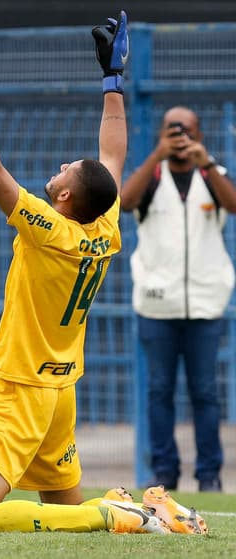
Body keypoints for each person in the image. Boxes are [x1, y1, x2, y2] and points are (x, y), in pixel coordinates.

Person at [0, 10, 207, 535]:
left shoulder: (49, 229)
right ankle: (153, 513)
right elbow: (112, 153)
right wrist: (113, 81)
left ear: (62, 198)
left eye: (64, 171)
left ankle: (116, 510)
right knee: (63, 515)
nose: (59, 167)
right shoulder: (104, 228)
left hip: (19, 386)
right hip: (61, 389)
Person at [120, 106, 236, 493]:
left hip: (204, 305)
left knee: (205, 392)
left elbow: (234, 204)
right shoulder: (152, 176)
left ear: (198, 134)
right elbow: (123, 201)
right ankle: (164, 473)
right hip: (157, 305)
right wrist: (156, 154)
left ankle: (209, 475)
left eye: (186, 130)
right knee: (159, 390)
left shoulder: (212, 176)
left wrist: (210, 164)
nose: (180, 137)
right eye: (173, 130)